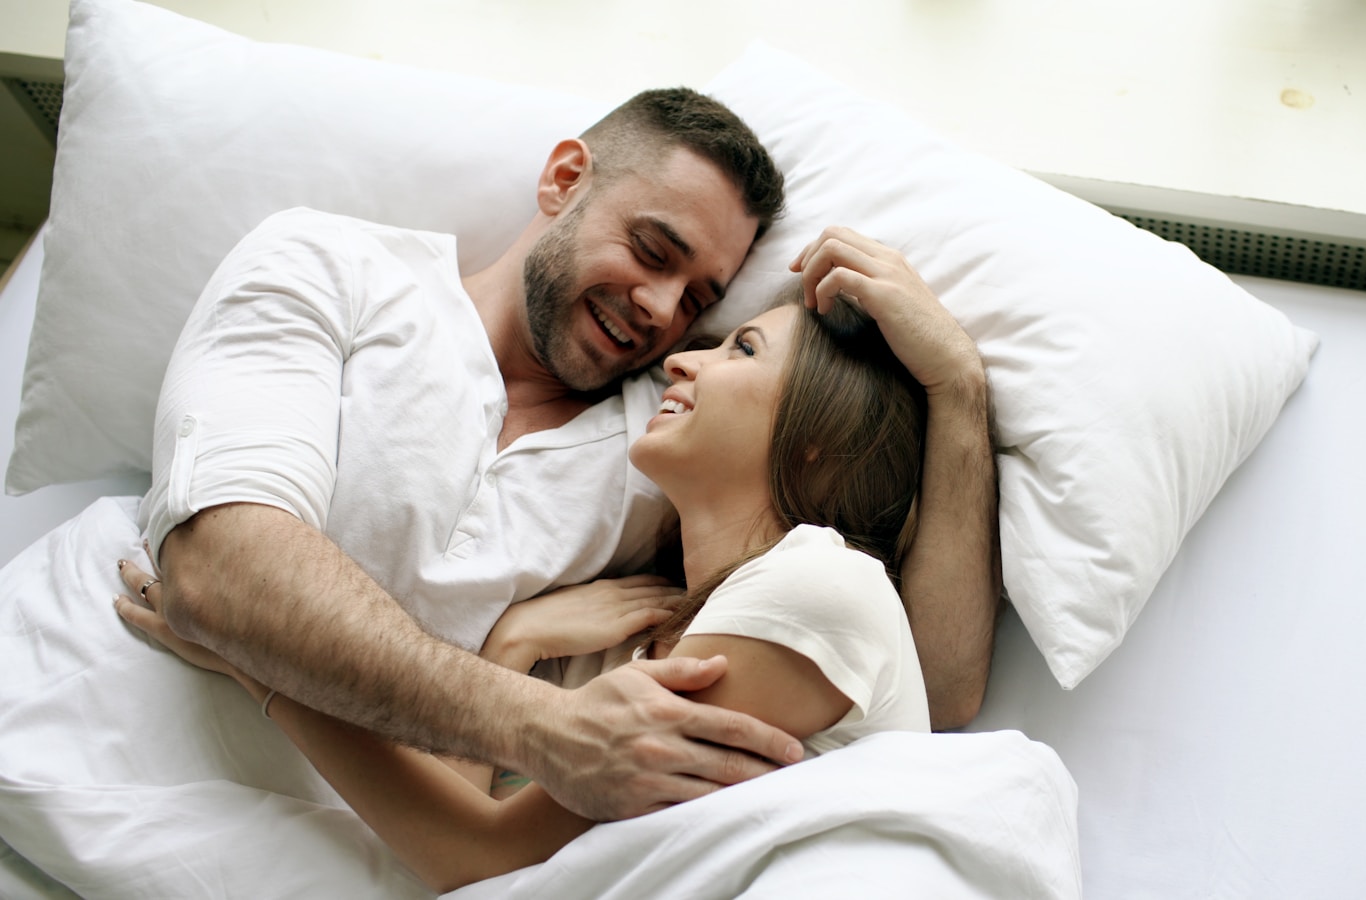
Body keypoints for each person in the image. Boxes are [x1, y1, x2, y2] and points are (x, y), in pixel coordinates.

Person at [126, 86, 999, 824]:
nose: (663, 310)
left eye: (700, 301)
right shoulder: (334, 269)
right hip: (111, 753)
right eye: (651, 251)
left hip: (363, 852)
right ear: (565, 179)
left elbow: (927, 685)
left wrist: (958, 387)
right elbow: (218, 572)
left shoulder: (665, 447)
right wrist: (542, 726)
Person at [116, 279, 938, 891]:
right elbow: (463, 826)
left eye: (743, 350)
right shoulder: (634, 644)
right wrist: (515, 643)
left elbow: (479, 858)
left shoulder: (817, 585)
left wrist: (262, 662)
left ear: (820, 439)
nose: (682, 361)